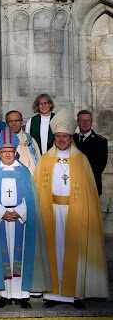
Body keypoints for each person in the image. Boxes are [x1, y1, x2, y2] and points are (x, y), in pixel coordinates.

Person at [32, 108, 108, 308]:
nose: (61, 140)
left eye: (64, 136)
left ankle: (75, 295)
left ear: (70, 137)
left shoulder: (81, 160)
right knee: (52, 250)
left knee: (74, 252)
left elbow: (89, 192)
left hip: (74, 213)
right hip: (51, 212)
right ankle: (52, 295)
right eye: (58, 136)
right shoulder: (45, 160)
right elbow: (37, 188)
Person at [0, 129, 52, 309]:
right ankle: (5, 295)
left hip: (20, 221)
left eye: (10, 152)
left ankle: (22, 296)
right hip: (1, 219)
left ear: (16, 153)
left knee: (20, 256)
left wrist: (19, 212)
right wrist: (2, 212)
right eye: (4, 152)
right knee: (3, 256)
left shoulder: (24, 172)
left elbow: (31, 200)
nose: (7, 155)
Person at [73, 109, 108, 196]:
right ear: (78, 122)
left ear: (91, 122)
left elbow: (100, 166)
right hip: (74, 183)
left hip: (91, 183)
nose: (85, 123)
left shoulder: (100, 141)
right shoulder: (72, 139)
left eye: (87, 120)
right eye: (82, 120)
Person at [5, 110, 41, 176]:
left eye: (17, 121)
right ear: (6, 124)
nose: (14, 124)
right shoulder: (2, 141)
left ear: (22, 122)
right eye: (10, 121)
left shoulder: (30, 141)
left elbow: (37, 165)